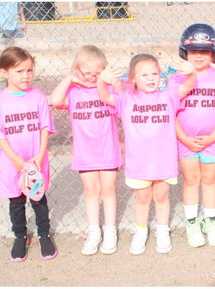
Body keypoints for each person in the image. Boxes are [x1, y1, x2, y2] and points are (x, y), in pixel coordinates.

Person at [97, 54, 196, 254]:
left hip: (163, 161)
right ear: (133, 79)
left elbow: (187, 87)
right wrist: (101, 80)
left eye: (154, 74)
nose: (150, 78)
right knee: (142, 198)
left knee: (161, 197)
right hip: (139, 163)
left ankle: (162, 229)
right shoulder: (126, 100)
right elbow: (105, 97)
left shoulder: (168, 96)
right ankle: (140, 230)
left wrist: (191, 72)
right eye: (144, 75)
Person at [49, 45, 123, 255]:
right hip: (85, 152)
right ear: (77, 69)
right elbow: (55, 101)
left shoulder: (105, 90)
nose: (91, 77)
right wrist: (69, 79)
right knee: (91, 191)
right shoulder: (74, 91)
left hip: (108, 149)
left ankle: (110, 230)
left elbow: (123, 98)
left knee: (108, 190)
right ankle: (94, 231)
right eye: (86, 73)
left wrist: (108, 80)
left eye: (97, 73)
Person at [167, 23, 215, 247]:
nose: (198, 55)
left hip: (212, 140)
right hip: (184, 140)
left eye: (204, 51)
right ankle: (192, 223)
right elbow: (171, 112)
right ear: (184, 53)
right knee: (191, 180)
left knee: (209, 180)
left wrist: (213, 136)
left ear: (213, 53)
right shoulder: (176, 78)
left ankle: (210, 221)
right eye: (193, 51)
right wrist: (185, 138)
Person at [0, 46, 57, 261]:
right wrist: (16, 160)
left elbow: (46, 127)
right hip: (12, 162)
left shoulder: (38, 97)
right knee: (16, 201)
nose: (26, 76)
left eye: (29, 70)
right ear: (4, 72)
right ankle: (20, 236)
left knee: (38, 198)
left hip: (36, 159)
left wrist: (39, 154)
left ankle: (44, 233)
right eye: (19, 71)